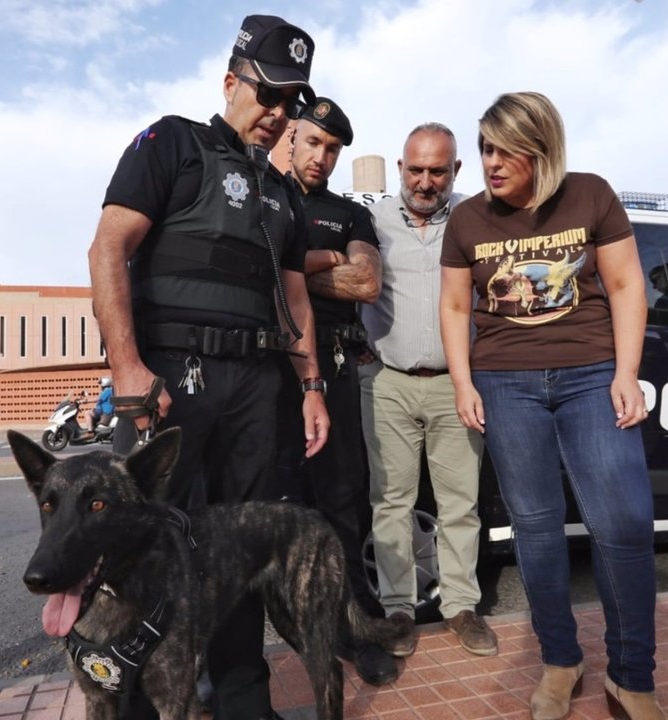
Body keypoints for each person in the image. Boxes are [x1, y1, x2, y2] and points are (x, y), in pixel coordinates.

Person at [87, 14, 328, 720]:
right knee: (141, 547)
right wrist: (128, 369)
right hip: (169, 382)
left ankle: (243, 701)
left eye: (292, 103)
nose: (278, 114)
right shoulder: (173, 144)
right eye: (268, 94)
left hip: (256, 387)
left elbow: (294, 299)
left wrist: (311, 386)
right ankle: (130, 701)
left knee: (241, 548)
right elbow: (107, 249)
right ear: (231, 81)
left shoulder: (282, 192)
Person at [439, 91, 663, 720]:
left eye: (506, 149)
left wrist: (626, 372)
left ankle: (632, 677)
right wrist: (464, 383)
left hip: (592, 376)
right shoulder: (467, 222)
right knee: (535, 531)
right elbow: (456, 307)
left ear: (541, 149)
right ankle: (561, 660)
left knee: (622, 522)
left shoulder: (590, 195)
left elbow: (624, 284)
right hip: (506, 384)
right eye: (485, 148)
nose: (491, 162)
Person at [359, 123, 497, 657]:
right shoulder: (371, 221)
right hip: (389, 382)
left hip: (454, 384)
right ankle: (397, 611)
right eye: (414, 169)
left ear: (455, 171)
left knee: (461, 503)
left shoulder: (475, 218)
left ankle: (462, 608)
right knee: (391, 502)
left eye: (437, 170)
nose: (424, 181)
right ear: (399, 168)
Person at [274, 98, 396, 684]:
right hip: (267, 371)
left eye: (332, 149)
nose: (321, 157)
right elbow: (248, 267)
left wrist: (291, 262)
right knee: (261, 508)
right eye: (313, 143)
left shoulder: (348, 213)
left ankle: (359, 630)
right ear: (292, 136)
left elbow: (366, 281)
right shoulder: (260, 193)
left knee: (342, 506)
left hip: (338, 366)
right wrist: (323, 265)